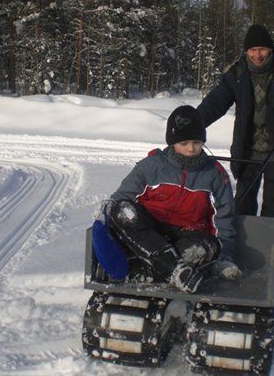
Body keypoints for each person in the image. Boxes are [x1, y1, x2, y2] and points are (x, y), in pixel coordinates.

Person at [97, 105, 242, 294]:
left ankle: (148, 270)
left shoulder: (214, 174)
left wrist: (225, 256)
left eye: (197, 142)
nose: (191, 149)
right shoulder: (152, 166)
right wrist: (104, 219)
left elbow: (224, 217)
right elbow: (122, 198)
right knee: (122, 211)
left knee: (203, 250)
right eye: (184, 143)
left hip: (189, 235)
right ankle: (176, 271)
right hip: (151, 233)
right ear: (173, 142)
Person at [197, 24, 274, 218]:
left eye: (262, 49)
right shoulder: (237, 74)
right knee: (243, 205)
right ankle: (243, 244)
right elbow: (216, 102)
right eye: (253, 50)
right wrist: (193, 124)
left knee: (272, 207)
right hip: (247, 151)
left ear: (271, 49)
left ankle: (270, 244)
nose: (258, 55)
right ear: (246, 51)